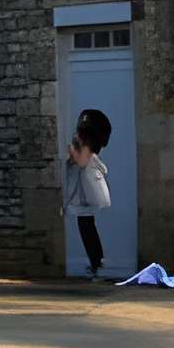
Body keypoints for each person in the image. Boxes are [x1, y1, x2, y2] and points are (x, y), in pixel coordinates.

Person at [62, 110, 113, 278]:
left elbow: (81, 162)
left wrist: (72, 150)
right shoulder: (89, 151)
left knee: (86, 226)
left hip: (87, 198)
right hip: (85, 198)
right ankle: (97, 261)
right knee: (87, 225)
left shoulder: (87, 154)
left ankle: (97, 262)